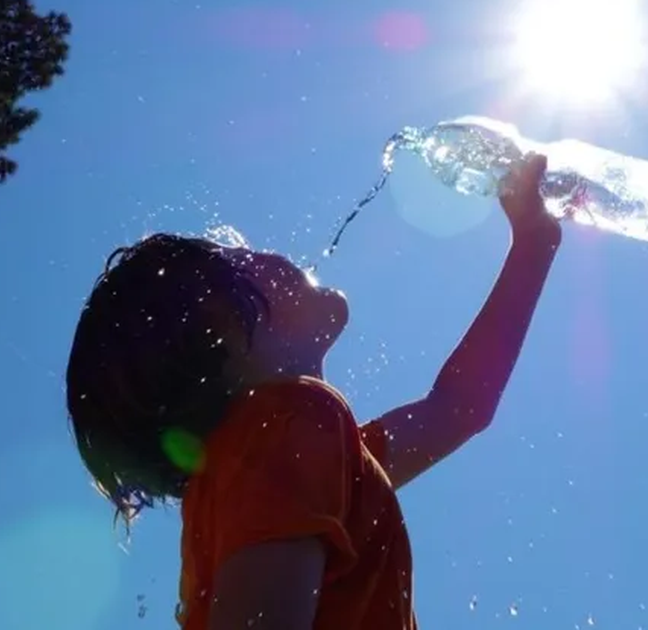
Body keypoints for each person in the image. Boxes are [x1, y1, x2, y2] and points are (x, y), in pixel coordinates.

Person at [64, 154, 560, 630]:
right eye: (242, 259)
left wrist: (534, 243)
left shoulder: (291, 459)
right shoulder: (285, 428)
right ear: (223, 331)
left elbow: (458, 409)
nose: (267, 252)